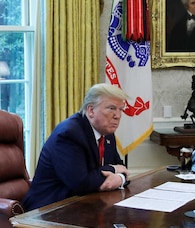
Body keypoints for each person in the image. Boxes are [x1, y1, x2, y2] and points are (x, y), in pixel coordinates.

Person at [22, 83, 130, 211]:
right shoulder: (69, 134)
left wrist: (119, 179)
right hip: (49, 210)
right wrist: (112, 169)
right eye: (111, 108)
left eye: (120, 109)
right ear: (91, 110)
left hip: (85, 205)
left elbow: (123, 169)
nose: (117, 115)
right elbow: (81, 184)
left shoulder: (107, 134)